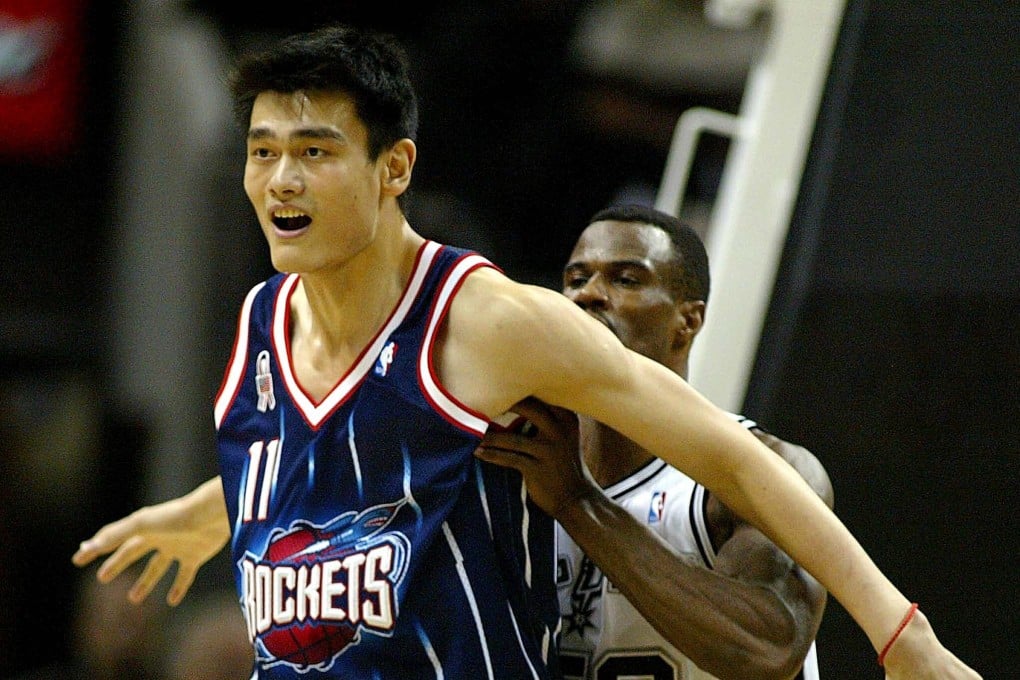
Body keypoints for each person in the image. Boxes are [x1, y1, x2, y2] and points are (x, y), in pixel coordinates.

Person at [71, 22, 979, 680]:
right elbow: (350, 448)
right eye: (263, 152)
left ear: (394, 169)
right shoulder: (263, 321)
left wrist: (900, 632)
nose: (281, 180)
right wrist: (211, 509)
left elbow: (732, 457)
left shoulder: (489, 321)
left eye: (313, 152)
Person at [476, 204, 829, 679]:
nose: (588, 295)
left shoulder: (768, 468)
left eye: (625, 279)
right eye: (576, 279)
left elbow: (769, 651)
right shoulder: (517, 462)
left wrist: (580, 505)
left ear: (688, 321)